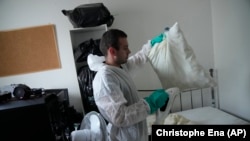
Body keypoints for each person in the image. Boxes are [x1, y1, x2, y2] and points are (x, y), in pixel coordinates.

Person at [87, 29, 177, 141]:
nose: (129, 51)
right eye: (125, 48)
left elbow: (138, 60)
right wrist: (150, 103)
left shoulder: (119, 68)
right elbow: (120, 117)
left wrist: (151, 45)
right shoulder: (105, 79)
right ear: (112, 51)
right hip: (125, 137)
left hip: (136, 134)